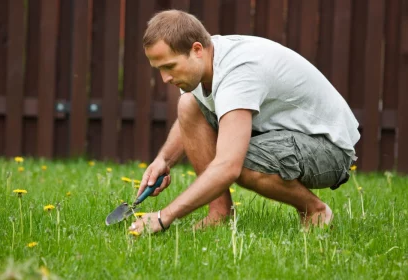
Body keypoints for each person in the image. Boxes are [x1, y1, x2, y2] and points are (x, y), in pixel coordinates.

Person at [129, 10, 360, 234]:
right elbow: (191, 117)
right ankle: (219, 213)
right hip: (283, 134)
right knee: (188, 104)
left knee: (244, 163)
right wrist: (164, 160)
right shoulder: (207, 61)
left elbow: (228, 166)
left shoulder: (238, 73)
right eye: (159, 69)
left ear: (196, 49)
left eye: (169, 66)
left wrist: (163, 217)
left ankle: (315, 211)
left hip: (329, 149)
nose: (165, 78)